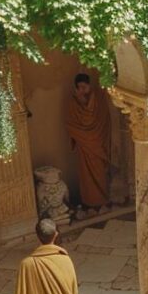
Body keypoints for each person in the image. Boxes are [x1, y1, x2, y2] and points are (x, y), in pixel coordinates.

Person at [64, 72, 111, 215]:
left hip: (98, 144)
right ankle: (89, 203)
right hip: (84, 145)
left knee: (100, 174)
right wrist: (80, 100)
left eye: (85, 86)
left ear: (90, 85)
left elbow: (104, 120)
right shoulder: (73, 103)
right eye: (80, 87)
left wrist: (85, 101)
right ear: (76, 88)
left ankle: (102, 201)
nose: (83, 90)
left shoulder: (99, 98)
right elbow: (70, 123)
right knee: (86, 177)